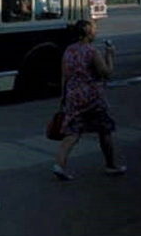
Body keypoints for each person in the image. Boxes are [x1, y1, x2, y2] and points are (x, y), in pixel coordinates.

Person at [52, 19, 125, 181]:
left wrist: (63, 96)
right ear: (88, 32)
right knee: (104, 130)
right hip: (92, 98)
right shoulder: (92, 52)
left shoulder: (68, 51)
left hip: (73, 96)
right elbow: (106, 73)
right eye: (94, 29)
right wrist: (110, 55)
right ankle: (111, 165)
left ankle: (59, 165)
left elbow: (64, 75)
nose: (96, 32)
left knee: (72, 133)